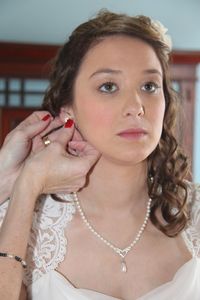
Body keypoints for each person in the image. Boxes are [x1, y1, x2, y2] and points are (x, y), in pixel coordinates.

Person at [0, 9, 199, 300]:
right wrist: (26, 186)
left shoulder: (193, 212)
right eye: (108, 86)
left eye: (149, 86)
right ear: (69, 111)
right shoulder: (21, 220)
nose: (136, 106)